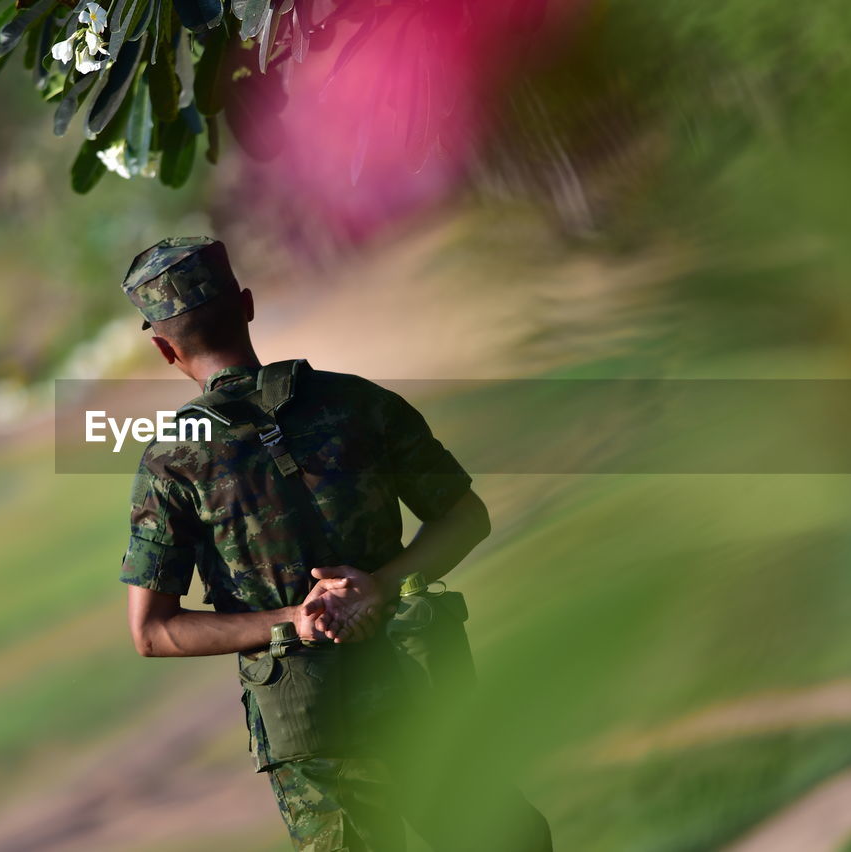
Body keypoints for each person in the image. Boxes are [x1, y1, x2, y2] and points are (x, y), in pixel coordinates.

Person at [118, 236, 551, 851]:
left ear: (164, 347)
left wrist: (294, 621)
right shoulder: (358, 403)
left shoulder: (171, 463)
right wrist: (379, 585)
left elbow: (153, 632)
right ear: (245, 304)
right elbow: (464, 515)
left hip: (311, 728)